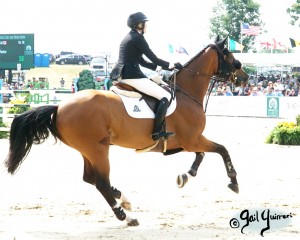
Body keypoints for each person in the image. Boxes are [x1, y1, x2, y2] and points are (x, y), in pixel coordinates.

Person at [110, 12, 183, 141]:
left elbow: (142, 61)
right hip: (132, 76)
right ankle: (157, 132)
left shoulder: (129, 37)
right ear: (139, 24)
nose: (146, 26)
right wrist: (171, 65)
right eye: (145, 23)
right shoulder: (138, 38)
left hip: (124, 74)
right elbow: (154, 58)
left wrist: (160, 68)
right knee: (165, 97)